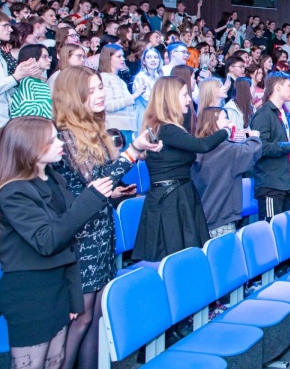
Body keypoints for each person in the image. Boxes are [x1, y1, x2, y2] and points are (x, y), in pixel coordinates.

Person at [50, 66, 160, 369]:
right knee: (79, 323)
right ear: (74, 95)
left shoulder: (92, 130)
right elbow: (90, 187)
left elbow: (96, 188)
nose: (101, 94)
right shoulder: (64, 136)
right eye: (93, 89)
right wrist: (133, 152)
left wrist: (112, 192)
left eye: (101, 87)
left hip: (100, 233)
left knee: (96, 319)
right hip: (80, 241)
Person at [0, 116, 115, 369]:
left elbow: (67, 245)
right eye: (52, 140)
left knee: (51, 367)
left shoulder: (52, 179)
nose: (61, 143)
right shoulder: (13, 191)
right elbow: (48, 241)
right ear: (29, 148)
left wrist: (74, 297)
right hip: (29, 294)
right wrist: (90, 198)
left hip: (57, 287)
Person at [133, 77, 236, 262]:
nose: (189, 99)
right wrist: (226, 131)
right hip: (170, 202)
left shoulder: (168, 128)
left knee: (185, 259)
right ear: (170, 98)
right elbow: (202, 145)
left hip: (179, 196)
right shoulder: (166, 129)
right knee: (178, 260)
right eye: (184, 95)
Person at [251, 71, 290, 220]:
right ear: (278, 87)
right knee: (271, 230)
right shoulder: (263, 115)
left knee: (289, 229)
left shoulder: (287, 115)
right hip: (271, 185)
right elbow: (262, 148)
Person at [192, 107, 262, 237]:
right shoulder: (225, 150)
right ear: (213, 123)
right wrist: (253, 138)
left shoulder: (196, 147)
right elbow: (250, 152)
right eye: (225, 118)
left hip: (202, 219)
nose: (229, 122)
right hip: (221, 220)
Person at [0, 10, 42, 128]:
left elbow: (3, 90)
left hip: (3, 119)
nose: (10, 29)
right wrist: (17, 76)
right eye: (5, 26)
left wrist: (21, 75)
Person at [101, 44, 146, 147]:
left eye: (123, 56)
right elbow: (109, 105)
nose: (123, 59)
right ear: (108, 58)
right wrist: (135, 95)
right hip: (116, 129)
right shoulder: (104, 78)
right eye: (118, 56)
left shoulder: (118, 79)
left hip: (125, 128)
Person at [9, 44, 53, 118]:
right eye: (44, 57)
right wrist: (52, 102)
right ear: (31, 59)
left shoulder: (43, 84)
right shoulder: (26, 81)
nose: (49, 60)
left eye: (49, 57)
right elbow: (28, 111)